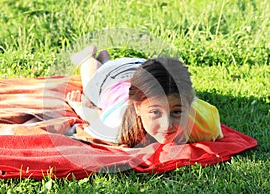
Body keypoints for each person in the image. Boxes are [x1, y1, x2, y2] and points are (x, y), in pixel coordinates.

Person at [67, 46, 223, 147]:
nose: (166, 124)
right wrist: (80, 106)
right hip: (113, 78)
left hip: (144, 68)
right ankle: (89, 58)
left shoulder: (204, 123)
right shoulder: (117, 126)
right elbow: (93, 116)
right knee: (90, 88)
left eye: (176, 112)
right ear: (136, 108)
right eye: (156, 112)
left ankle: (106, 58)